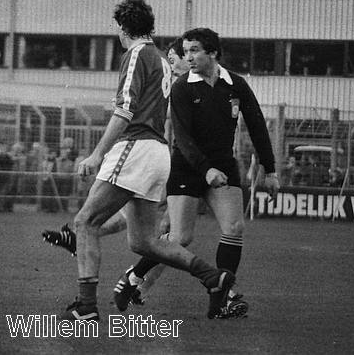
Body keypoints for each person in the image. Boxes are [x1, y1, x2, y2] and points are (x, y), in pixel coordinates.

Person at [57, 0, 236, 322]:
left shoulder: (137, 53)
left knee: (85, 222)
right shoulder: (161, 60)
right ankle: (213, 277)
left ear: (124, 28)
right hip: (156, 153)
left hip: (135, 147)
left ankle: (86, 306)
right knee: (144, 242)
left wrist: (97, 154)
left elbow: (125, 110)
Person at [112, 27, 280, 319]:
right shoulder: (182, 88)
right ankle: (134, 277)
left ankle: (222, 296)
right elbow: (184, 140)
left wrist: (271, 168)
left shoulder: (235, 84)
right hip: (188, 168)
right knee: (180, 238)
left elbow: (257, 124)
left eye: (194, 51)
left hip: (223, 167)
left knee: (235, 229)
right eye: (185, 51)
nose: (187, 57)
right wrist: (206, 170)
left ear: (212, 53)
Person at [43, 37, 191, 303]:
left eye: (174, 59)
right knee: (141, 223)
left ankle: (132, 278)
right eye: (170, 59)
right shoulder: (173, 85)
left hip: (182, 163)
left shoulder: (186, 87)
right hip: (167, 159)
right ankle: (133, 279)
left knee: (172, 234)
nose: (171, 64)